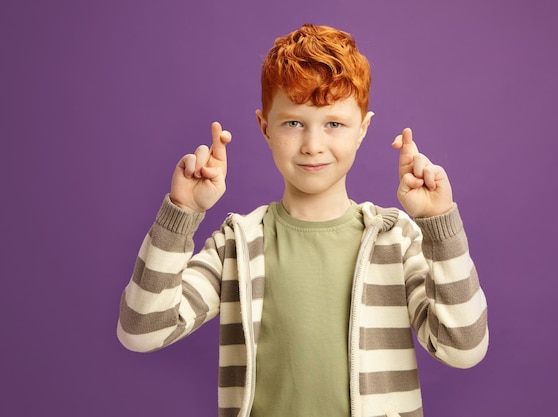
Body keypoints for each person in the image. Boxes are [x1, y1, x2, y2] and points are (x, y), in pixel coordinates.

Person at [117, 23, 488, 417]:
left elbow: (463, 349)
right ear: (265, 128)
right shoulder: (238, 243)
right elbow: (142, 332)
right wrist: (182, 213)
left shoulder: (395, 240)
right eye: (294, 123)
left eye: (334, 123)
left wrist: (438, 223)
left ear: (362, 129)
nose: (313, 145)